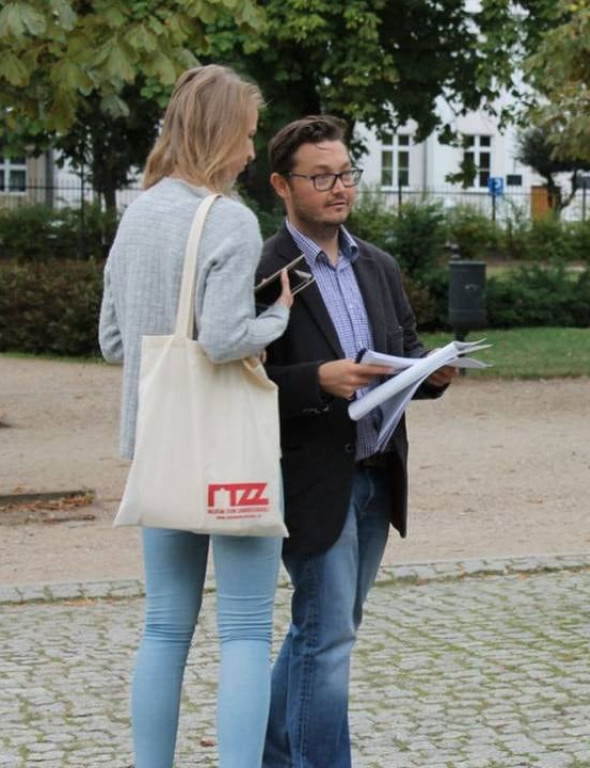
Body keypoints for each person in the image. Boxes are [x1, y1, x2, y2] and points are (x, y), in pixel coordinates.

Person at [98, 64, 293, 768]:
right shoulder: (229, 218)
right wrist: (276, 316)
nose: (251, 151)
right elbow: (223, 338)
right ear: (220, 134)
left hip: (159, 445)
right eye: (246, 135)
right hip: (225, 449)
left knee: (163, 625)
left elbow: (112, 341)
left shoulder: (138, 212)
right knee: (244, 629)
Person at [258, 115, 455, 768]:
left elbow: (405, 350)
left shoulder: (378, 264)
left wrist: (434, 372)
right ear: (282, 185)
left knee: (326, 629)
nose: (339, 187)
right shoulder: (265, 269)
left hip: (378, 471)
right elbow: (239, 381)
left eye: (345, 173)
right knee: (328, 636)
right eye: (321, 177)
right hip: (311, 478)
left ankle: (271, 754)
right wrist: (316, 379)